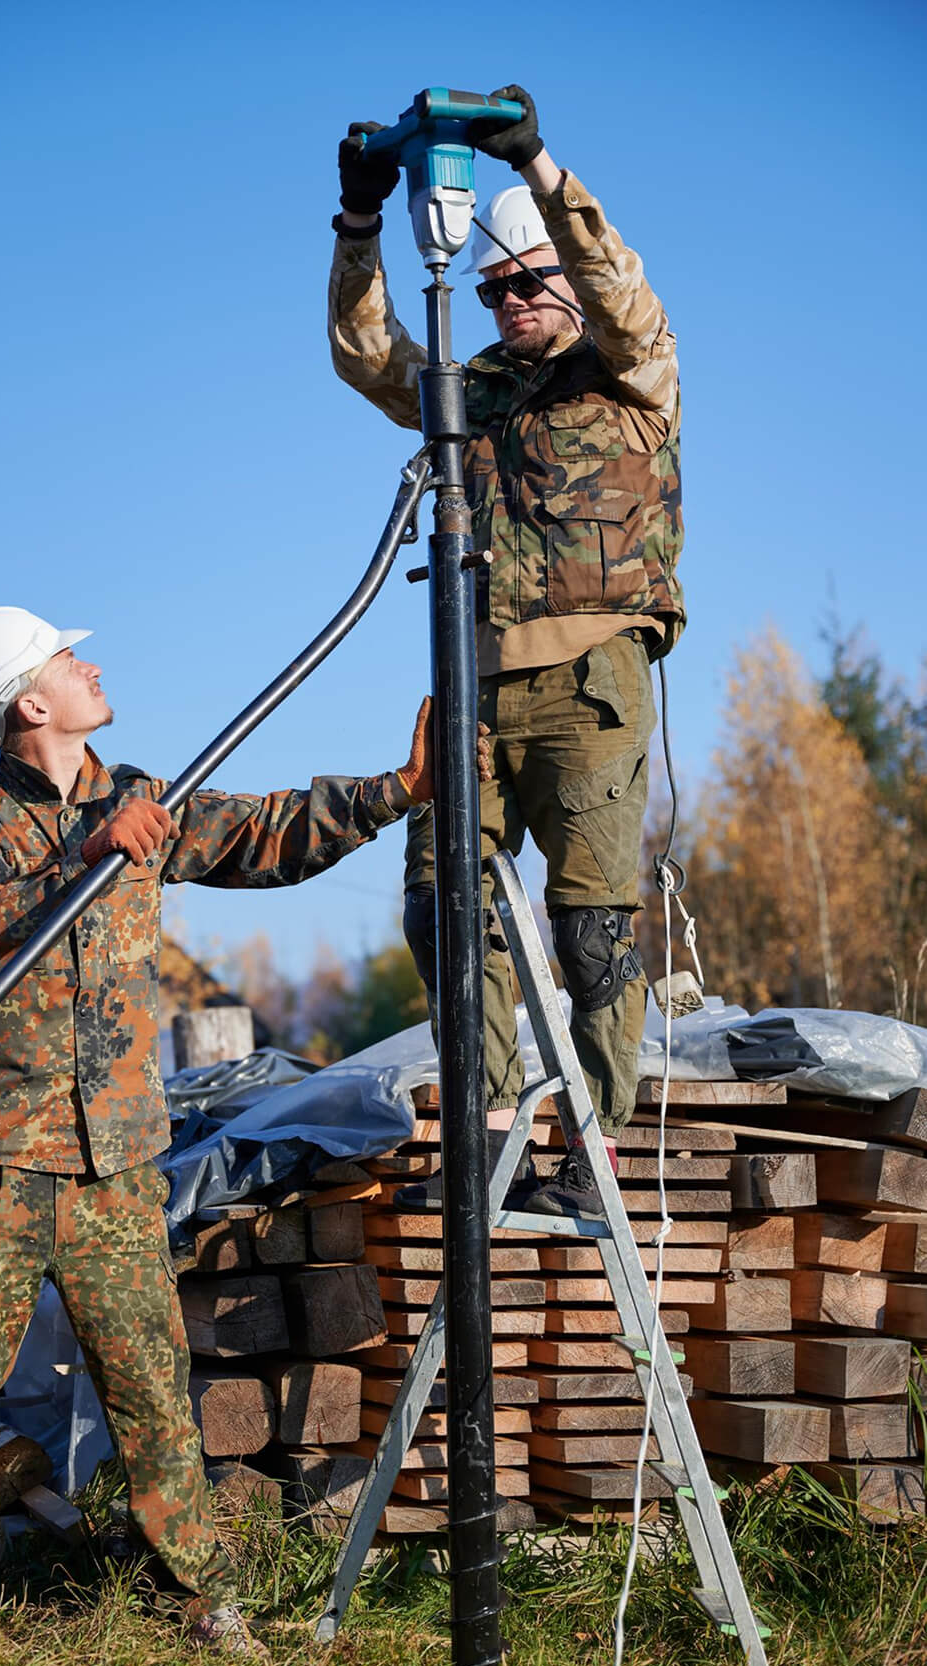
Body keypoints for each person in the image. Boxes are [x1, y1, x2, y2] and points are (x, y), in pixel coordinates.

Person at [0, 604, 439, 1656]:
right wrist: (89, 853)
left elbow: (264, 832)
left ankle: (199, 1596)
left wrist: (398, 791)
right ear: (30, 703)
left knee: (152, 1385)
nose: (91, 667)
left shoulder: (140, 799)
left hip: (116, 1159)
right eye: (68, 659)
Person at [328, 85, 684, 1218]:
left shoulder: (631, 369)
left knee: (589, 927)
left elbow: (620, 291)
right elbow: (368, 357)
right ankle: (487, 1136)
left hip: (590, 681)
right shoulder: (471, 392)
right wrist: (359, 226)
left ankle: (595, 1141)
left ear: (565, 278)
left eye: (527, 282)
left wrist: (537, 168)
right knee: (443, 907)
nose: (509, 300)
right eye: (492, 288)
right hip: (471, 681)